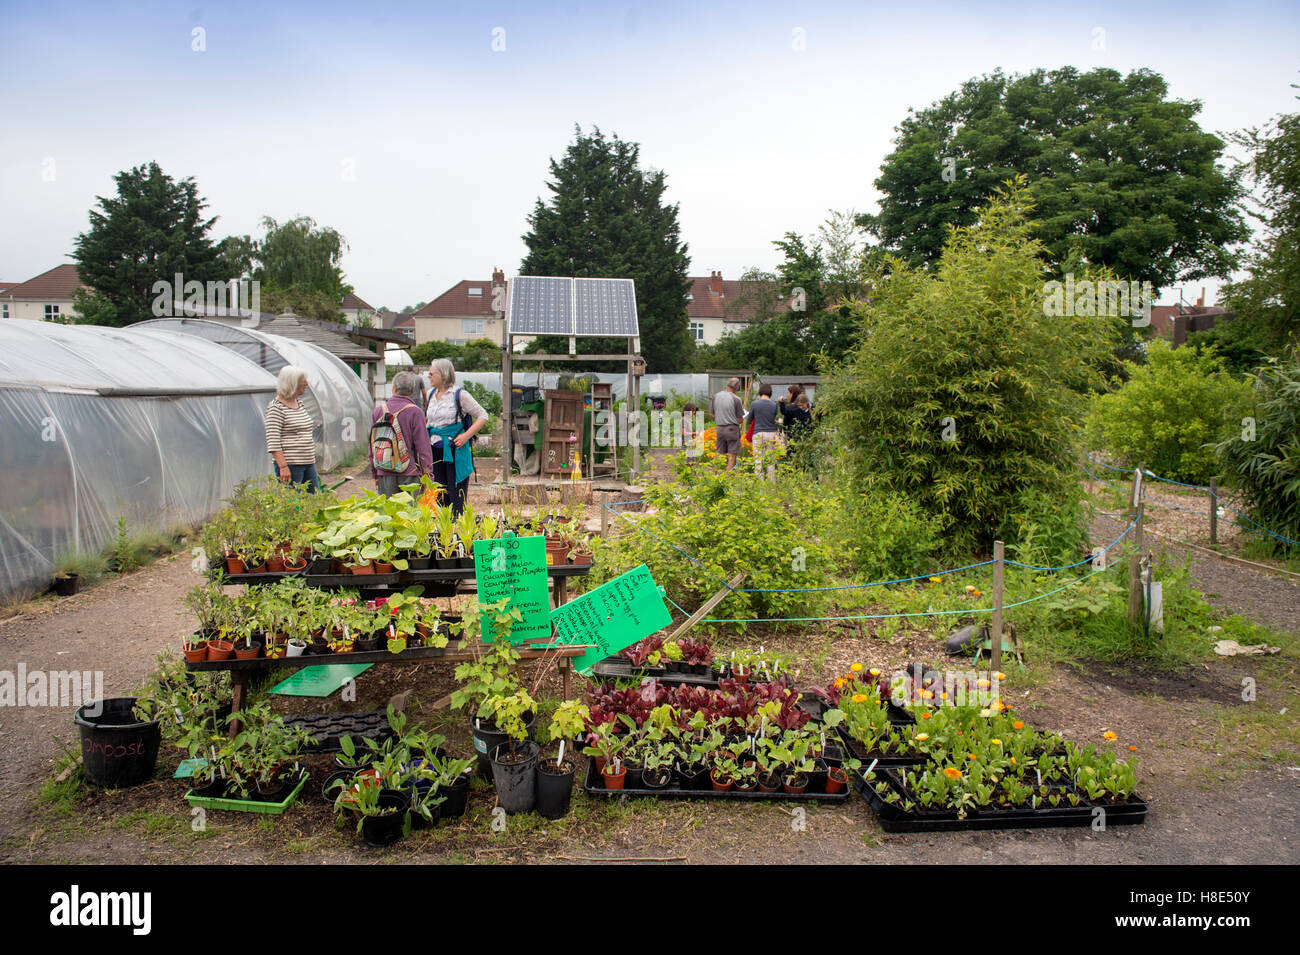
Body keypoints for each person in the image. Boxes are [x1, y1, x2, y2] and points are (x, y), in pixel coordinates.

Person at [425, 358, 490, 515]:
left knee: (456, 492)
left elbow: (483, 415)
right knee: (438, 491)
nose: (429, 376)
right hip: (435, 449)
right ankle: (442, 530)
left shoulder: (460, 395)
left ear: (443, 375)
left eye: (431, 373)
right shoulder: (430, 394)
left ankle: (458, 529)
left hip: (454, 449)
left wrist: (466, 436)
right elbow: (430, 420)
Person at [371, 371, 434, 496]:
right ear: (411, 391)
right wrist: (428, 474)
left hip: (384, 471)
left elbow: (372, 444)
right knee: (410, 513)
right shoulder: (415, 412)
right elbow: (423, 447)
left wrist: (375, 473)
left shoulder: (378, 411)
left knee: (388, 513)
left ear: (394, 388)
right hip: (409, 472)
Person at [265, 365, 318, 492]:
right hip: (291, 465)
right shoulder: (276, 408)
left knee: (314, 499)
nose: (306, 383)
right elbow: (273, 441)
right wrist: (283, 467)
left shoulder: (299, 403)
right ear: (292, 383)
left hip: (308, 461)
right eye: (303, 380)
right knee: (293, 503)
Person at [744, 383, 782, 481]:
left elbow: (749, 420)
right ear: (770, 393)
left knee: (758, 459)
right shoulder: (774, 405)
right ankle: (771, 481)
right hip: (771, 433)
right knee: (770, 459)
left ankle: (760, 482)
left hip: (758, 433)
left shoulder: (754, 404)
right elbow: (773, 418)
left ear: (760, 392)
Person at [711, 377, 745, 470]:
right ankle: (727, 479)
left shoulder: (715, 396)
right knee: (732, 457)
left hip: (719, 429)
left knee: (718, 455)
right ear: (737, 387)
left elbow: (713, 415)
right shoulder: (736, 399)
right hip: (732, 430)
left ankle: (714, 477)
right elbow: (740, 420)